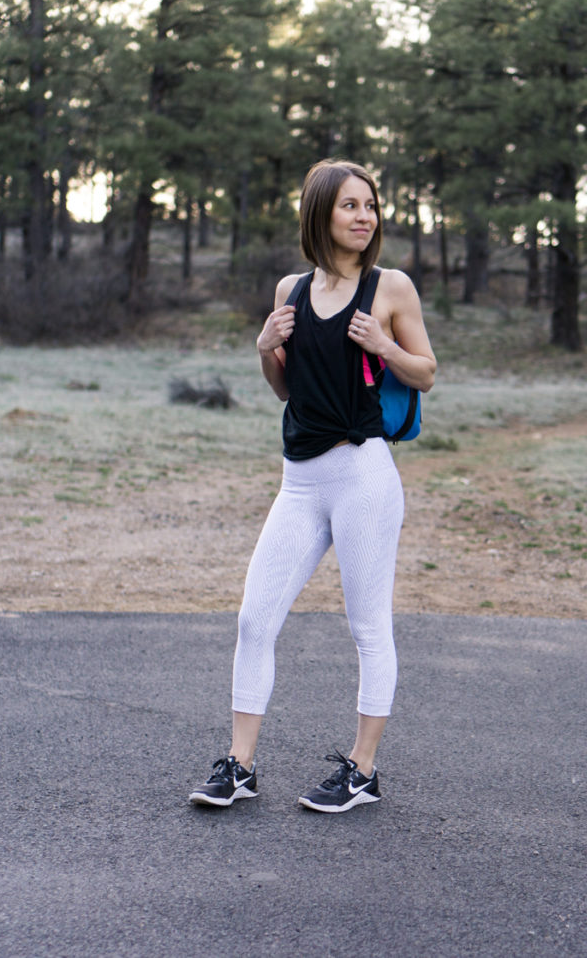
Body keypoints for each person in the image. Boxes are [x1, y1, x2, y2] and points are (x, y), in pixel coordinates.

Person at [189, 158, 436, 813]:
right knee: (253, 619)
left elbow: (427, 373)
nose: (364, 217)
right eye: (350, 205)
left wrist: (383, 346)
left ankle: (362, 771)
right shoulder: (289, 290)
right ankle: (238, 766)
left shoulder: (390, 288)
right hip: (297, 482)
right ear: (319, 212)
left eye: (371, 206)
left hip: (361, 477)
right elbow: (286, 391)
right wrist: (265, 348)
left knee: (367, 628)